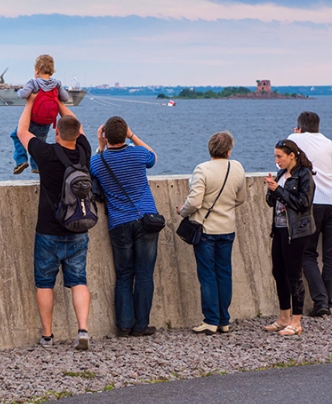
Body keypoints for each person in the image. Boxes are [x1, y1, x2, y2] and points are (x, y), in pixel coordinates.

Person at [16, 96, 92, 350]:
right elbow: (77, 125)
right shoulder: (84, 150)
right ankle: (83, 330)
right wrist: (58, 100)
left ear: (56, 132)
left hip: (48, 230)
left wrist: (31, 103)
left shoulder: (46, 153)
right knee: (79, 281)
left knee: (45, 283)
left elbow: (22, 131)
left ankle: (47, 336)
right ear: (77, 133)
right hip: (79, 227)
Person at [90, 116, 160, 337]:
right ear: (125, 133)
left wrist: (100, 146)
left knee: (124, 274)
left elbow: (91, 171)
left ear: (105, 136)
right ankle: (141, 326)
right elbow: (153, 157)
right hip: (146, 219)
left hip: (119, 222)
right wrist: (133, 135)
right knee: (144, 273)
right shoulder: (138, 154)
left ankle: (124, 324)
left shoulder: (98, 161)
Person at [177, 132, 247, 335]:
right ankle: (224, 320)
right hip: (227, 228)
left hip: (206, 230)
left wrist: (182, 211)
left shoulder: (202, 169)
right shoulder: (237, 167)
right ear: (229, 151)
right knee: (224, 273)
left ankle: (211, 320)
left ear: (210, 149)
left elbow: (194, 201)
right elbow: (240, 198)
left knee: (208, 275)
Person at [264, 139, 316, 336]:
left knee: (294, 274)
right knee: (279, 272)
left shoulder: (304, 175)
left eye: (280, 156)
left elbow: (303, 203)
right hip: (279, 228)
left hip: (297, 231)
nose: (277, 161)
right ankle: (283, 317)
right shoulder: (281, 174)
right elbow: (272, 202)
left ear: (292, 155)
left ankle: (296, 321)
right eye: (275, 156)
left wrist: (278, 190)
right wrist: (271, 189)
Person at [288, 112, 332, 317]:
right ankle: (329, 299)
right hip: (331, 202)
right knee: (330, 256)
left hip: (312, 203)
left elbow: (283, 162)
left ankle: (320, 302)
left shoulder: (295, 139)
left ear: (299, 127)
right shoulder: (329, 144)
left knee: (307, 254)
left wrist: (296, 135)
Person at [10, 55, 71, 175]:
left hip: (32, 119)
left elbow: (23, 95)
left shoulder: (34, 82)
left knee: (17, 135)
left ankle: (21, 160)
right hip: (46, 122)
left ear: (37, 70)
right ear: (52, 70)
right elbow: (65, 98)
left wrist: (19, 91)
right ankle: (36, 166)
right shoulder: (57, 83)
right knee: (39, 142)